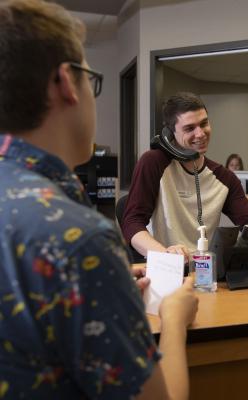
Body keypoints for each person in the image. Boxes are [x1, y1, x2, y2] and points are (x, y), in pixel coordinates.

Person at [0, 1, 198, 399]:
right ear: (66, 83)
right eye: (92, 80)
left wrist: (108, 289)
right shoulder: (79, 239)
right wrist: (174, 319)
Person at [122, 92, 248, 260]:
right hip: (165, 267)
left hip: (205, 272)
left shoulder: (225, 178)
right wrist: (165, 254)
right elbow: (132, 222)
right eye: (189, 128)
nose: (200, 134)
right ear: (170, 133)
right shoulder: (153, 162)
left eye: (204, 124)